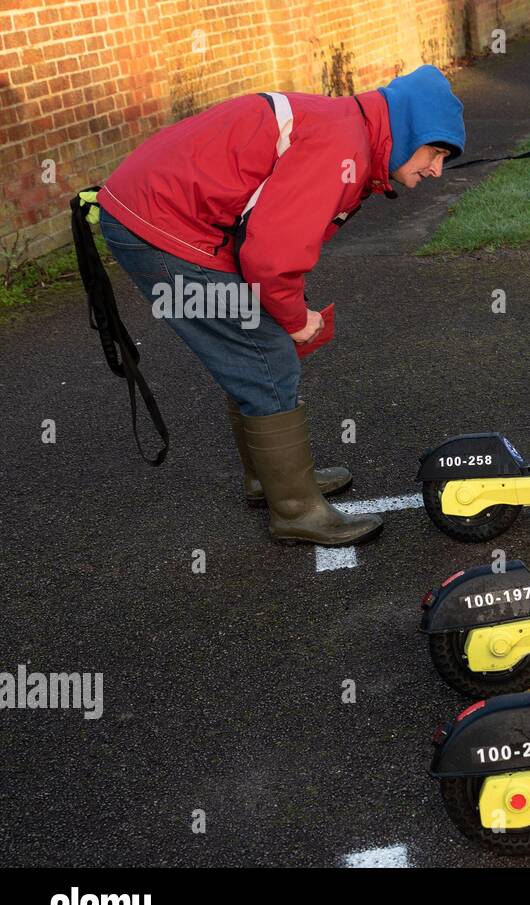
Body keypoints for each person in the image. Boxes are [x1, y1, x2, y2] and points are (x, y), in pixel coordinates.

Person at [94, 65, 465, 546]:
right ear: (409, 129)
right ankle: (295, 510)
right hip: (161, 230)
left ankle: (270, 482)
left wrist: (283, 307)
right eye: (435, 150)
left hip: (162, 216)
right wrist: (294, 319)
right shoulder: (342, 145)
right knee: (265, 352)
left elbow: (270, 234)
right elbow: (270, 258)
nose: (437, 169)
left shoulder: (346, 129)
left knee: (257, 339)